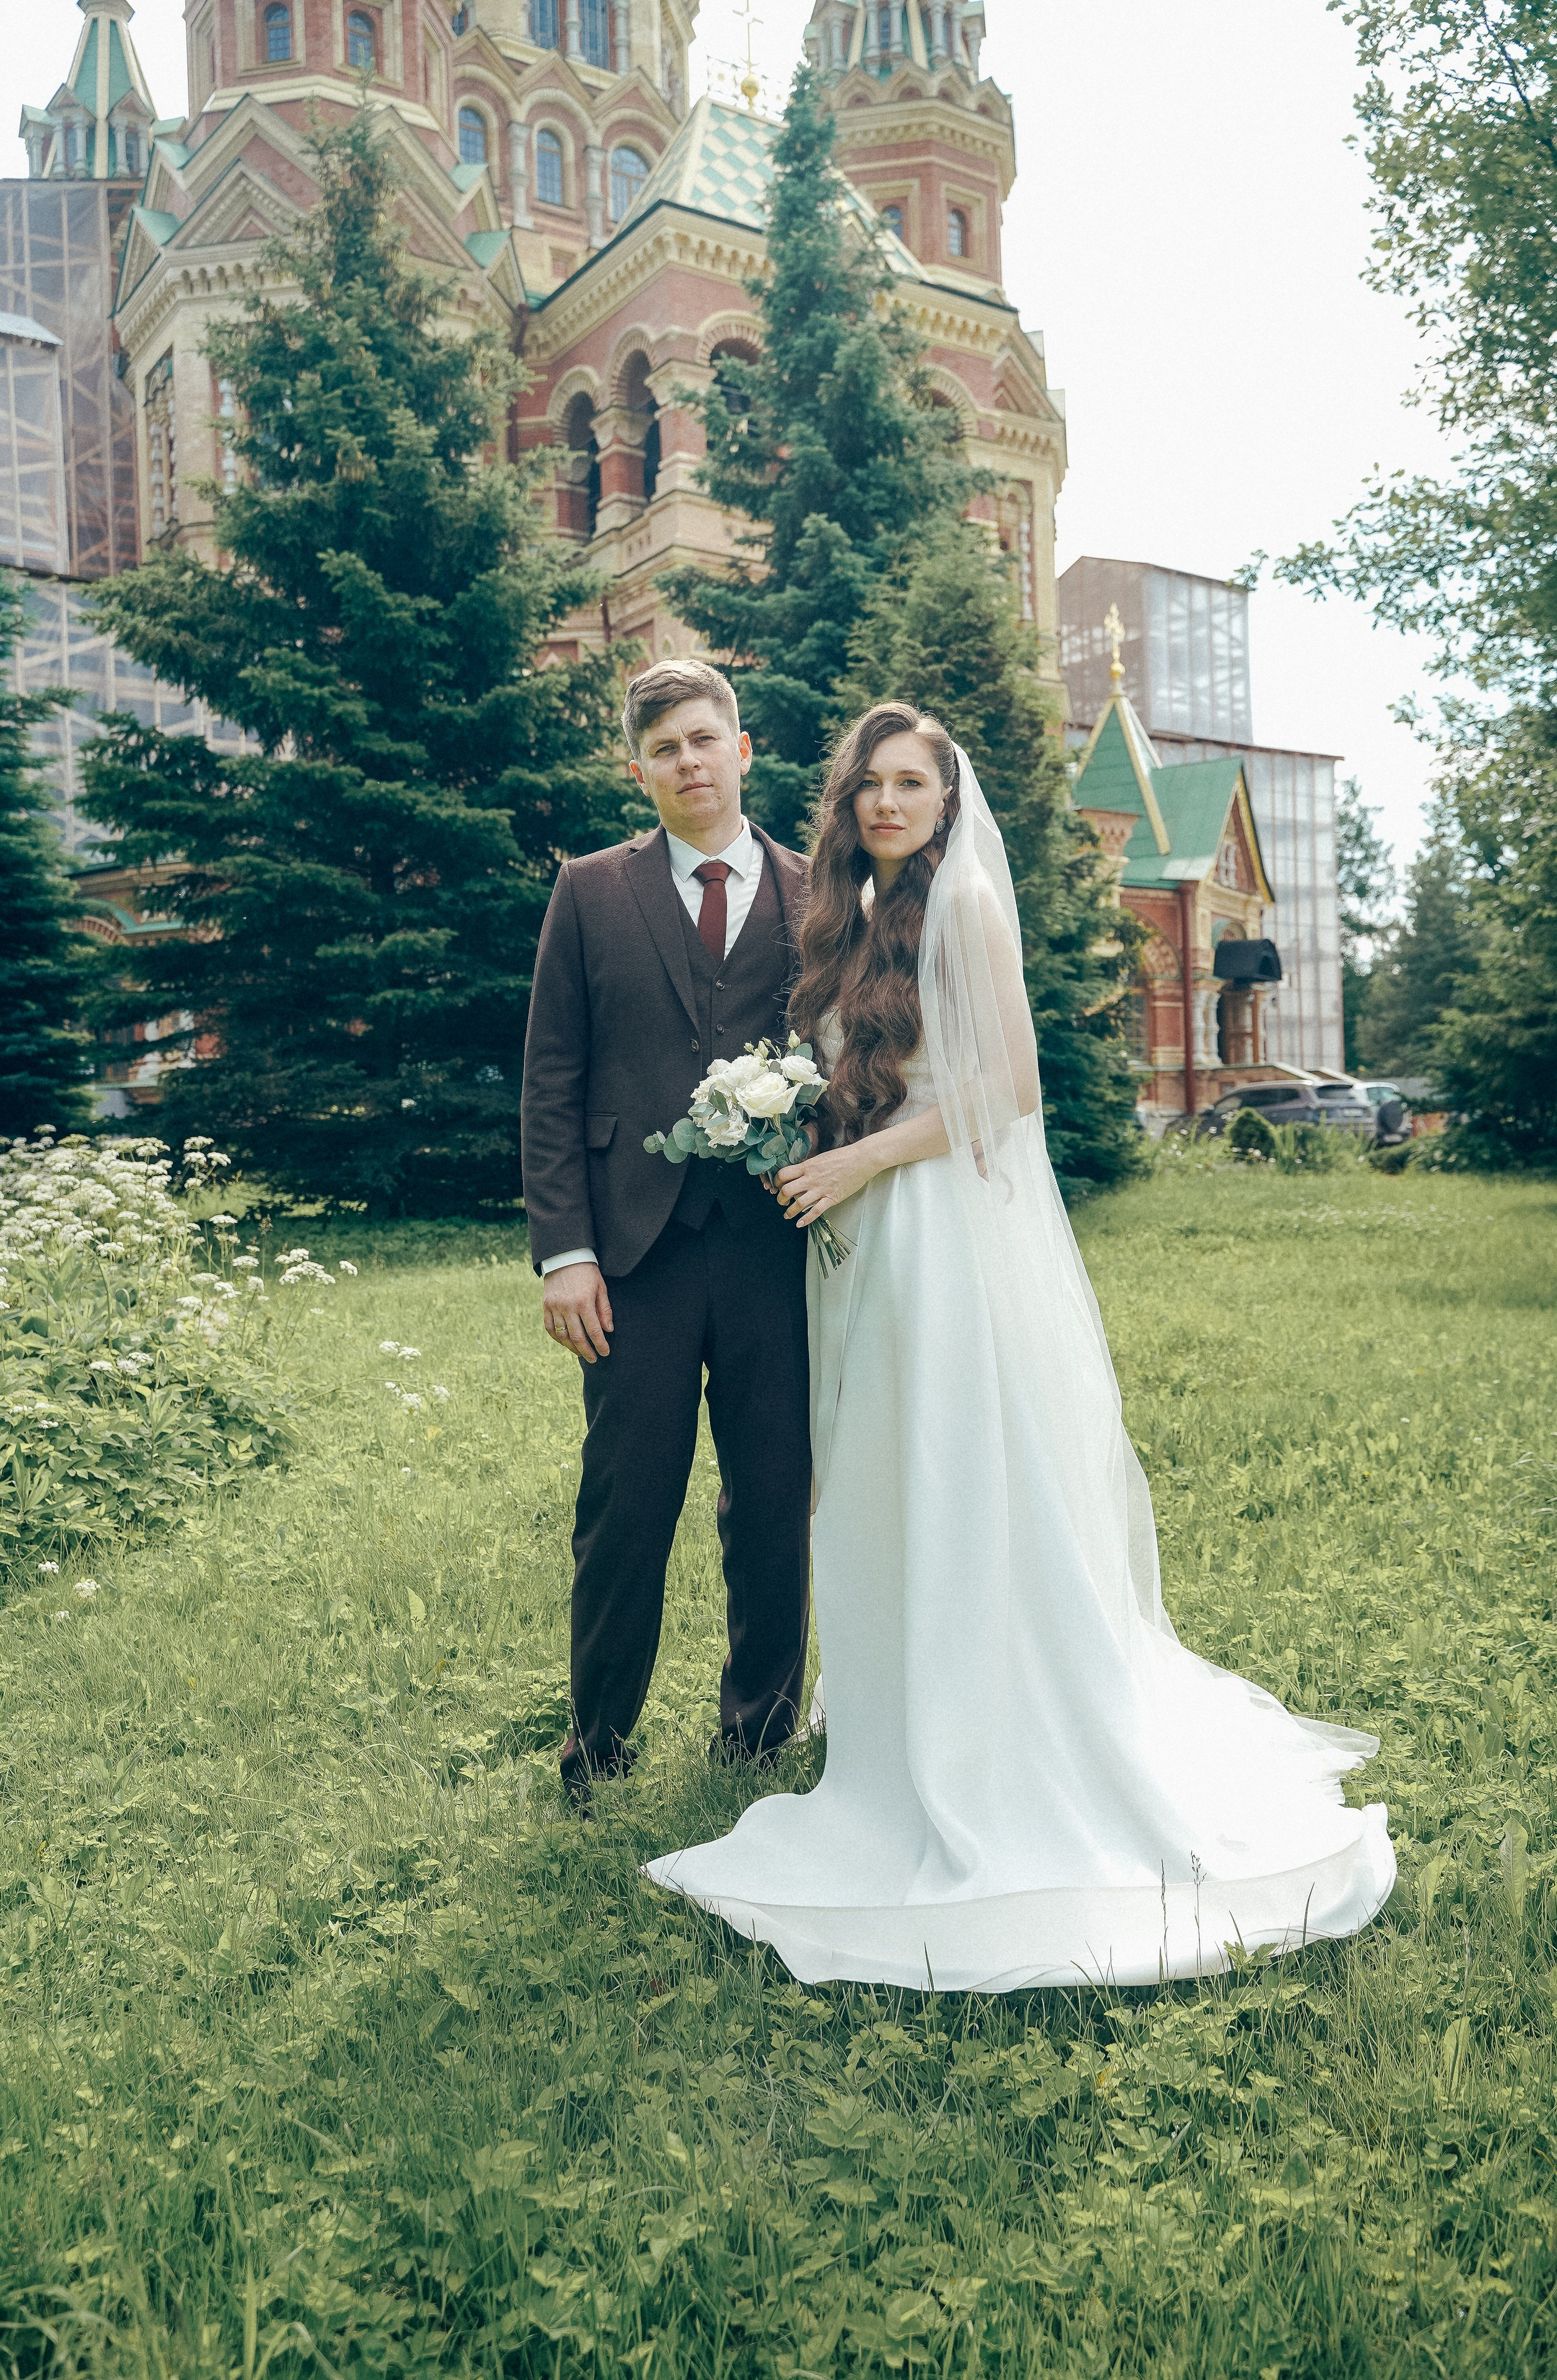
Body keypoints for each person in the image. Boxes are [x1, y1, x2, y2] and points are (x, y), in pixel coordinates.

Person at [644, 703, 1396, 1988]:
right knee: (875, 1476)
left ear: (944, 801)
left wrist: (862, 1161)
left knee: (956, 1464)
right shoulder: (832, 923)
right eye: (867, 785)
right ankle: (891, 1717)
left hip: (940, 1228)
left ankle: (993, 1727)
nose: (885, 803)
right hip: (856, 1241)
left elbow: (1008, 1089)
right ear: (843, 802)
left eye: (909, 784)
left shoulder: (964, 912)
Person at [521, 659, 812, 1800]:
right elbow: (552, 1078)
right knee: (625, 1502)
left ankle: (761, 1731)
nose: (688, 763)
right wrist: (567, 1252)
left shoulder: (813, 888)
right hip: (630, 1257)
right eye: (664, 749)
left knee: (774, 1495)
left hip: (774, 1248)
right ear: (637, 767)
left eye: (705, 740)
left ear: (743, 748)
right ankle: (597, 1744)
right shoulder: (591, 890)